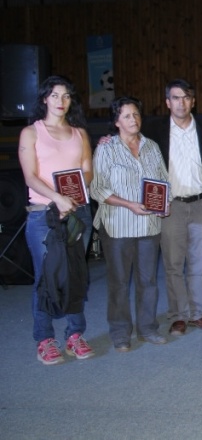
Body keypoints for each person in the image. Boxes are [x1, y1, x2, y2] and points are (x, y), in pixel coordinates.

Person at [19, 76, 95, 365]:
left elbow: (87, 171)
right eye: (55, 95)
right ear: (44, 99)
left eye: (66, 96)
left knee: (75, 275)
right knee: (46, 278)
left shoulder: (79, 133)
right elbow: (30, 177)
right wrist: (58, 198)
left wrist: (73, 195)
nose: (61, 101)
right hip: (43, 214)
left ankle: (75, 334)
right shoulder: (32, 133)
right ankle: (45, 339)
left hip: (78, 212)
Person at [90, 96, 170, 351]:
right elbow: (97, 188)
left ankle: (147, 328)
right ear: (116, 122)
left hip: (149, 227)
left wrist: (164, 203)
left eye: (136, 114)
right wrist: (129, 204)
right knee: (119, 282)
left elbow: (162, 181)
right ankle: (121, 332)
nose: (133, 120)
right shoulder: (106, 149)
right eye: (126, 116)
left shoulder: (152, 147)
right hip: (118, 226)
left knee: (148, 281)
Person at [145, 79, 202, 338]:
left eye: (186, 97)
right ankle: (178, 315)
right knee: (174, 263)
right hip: (170, 205)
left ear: (193, 101)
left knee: (199, 262)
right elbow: (126, 135)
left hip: (201, 202)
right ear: (167, 102)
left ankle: (198, 312)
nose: (181, 102)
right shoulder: (154, 130)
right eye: (175, 98)